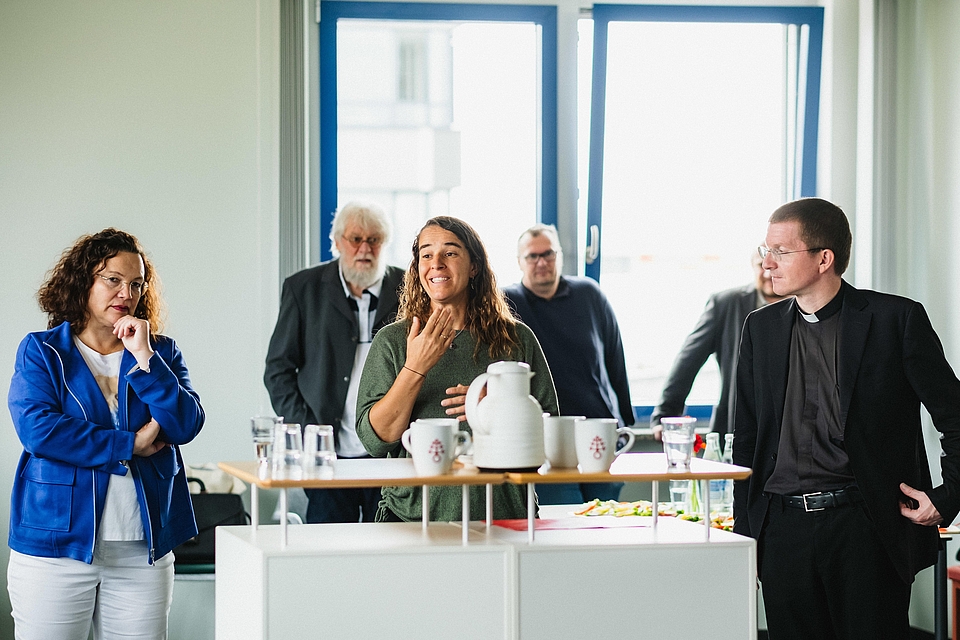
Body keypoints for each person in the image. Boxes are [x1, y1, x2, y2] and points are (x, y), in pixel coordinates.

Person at [733, 197, 960, 639]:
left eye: (781, 251)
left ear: (824, 259)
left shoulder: (895, 320)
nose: (768, 264)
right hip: (782, 532)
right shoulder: (759, 329)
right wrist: (749, 535)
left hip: (865, 527)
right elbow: (747, 436)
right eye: (766, 251)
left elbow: (955, 416)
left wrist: (947, 496)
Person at [6, 229, 205, 640]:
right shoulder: (42, 352)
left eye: (135, 283)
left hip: (142, 552)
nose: (125, 293)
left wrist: (145, 357)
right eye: (112, 279)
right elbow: (39, 430)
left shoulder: (160, 352)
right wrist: (128, 444)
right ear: (84, 282)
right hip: (55, 549)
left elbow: (185, 423)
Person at [356, 216, 559, 522]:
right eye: (426, 254)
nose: (436, 263)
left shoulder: (517, 339)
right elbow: (375, 439)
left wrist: (501, 407)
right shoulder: (393, 341)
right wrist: (415, 367)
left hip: (505, 519)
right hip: (411, 521)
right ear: (417, 268)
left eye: (450, 252)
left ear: (474, 266)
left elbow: (552, 436)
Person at [264, 201, 404, 523]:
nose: (365, 248)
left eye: (375, 240)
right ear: (338, 241)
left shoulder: (408, 288)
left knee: (388, 546)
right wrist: (306, 427)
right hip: (326, 454)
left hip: (389, 451)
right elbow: (278, 370)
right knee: (326, 547)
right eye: (356, 239)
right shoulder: (303, 288)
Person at [502, 224, 633, 504]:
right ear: (519, 262)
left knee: (604, 522)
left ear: (559, 256)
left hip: (598, 433)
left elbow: (615, 358)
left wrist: (625, 421)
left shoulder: (589, 294)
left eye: (548, 254)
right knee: (561, 524)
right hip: (546, 441)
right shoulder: (507, 303)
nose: (541, 262)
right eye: (532, 256)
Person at [651, 253, 785, 438]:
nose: (768, 273)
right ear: (752, 266)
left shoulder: (806, 306)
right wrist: (665, 414)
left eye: (777, 265)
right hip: (737, 428)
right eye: (761, 265)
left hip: (790, 429)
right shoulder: (726, 304)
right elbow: (688, 361)